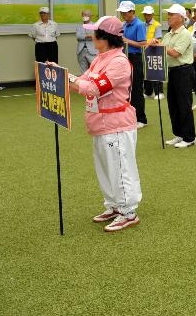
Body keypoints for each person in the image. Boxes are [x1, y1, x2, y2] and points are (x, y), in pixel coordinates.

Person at [67, 15, 142, 232]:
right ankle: (114, 205)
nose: (91, 36)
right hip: (100, 122)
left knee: (120, 168)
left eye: (95, 33)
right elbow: (83, 82)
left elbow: (91, 88)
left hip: (116, 123)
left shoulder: (118, 62)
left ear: (105, 37)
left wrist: (69, 78)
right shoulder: (101, 58)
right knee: (105, 167)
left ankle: (128, 211)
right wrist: (66, 77)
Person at [154, 4, 196, 149]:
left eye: (171, 15)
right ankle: (179, 134)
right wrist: (157, 43)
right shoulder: (169, 34)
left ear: (180, 17)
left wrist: (160, 46)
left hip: (184, 71)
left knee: (184, 105)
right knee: (173, 104)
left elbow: (175, 53)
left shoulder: (185, 34)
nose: (168, 17)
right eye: (168, 14)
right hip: (172, 71)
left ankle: (190, 137)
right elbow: (164, 48)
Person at [117, 1, 148, 129]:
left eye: (125, 12)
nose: (123, 14)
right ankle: (130, 117)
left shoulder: (139, 25)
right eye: (122, 12)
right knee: (126, 89)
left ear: (132, 12)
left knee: (136, 89)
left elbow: (143, 44)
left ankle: (141, 119)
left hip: (135, 59)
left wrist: (126, 40)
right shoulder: (123, 24)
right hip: (125, 58)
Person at [142, 6, 164, 100]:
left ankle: (159, 92)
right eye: (145, 14)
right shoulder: (142, 25)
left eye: (149, 14)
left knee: (155, 71)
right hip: (143, 50)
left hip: (154, 51)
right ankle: (148, 92)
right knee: (146, 72)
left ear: (152, 14)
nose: (147, 16)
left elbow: (158, 39)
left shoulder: (157, 25)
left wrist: (149, 44)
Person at [75, 9, 97, 74]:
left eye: (87, 15)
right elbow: (78, 37)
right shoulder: (79, 26)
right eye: (83, 14)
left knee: (94, 70)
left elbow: (94, 36)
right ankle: (84, 83)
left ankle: (93, 83)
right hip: (81, 50)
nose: (85, 16)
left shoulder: (95, 25)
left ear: (90, 16)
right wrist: (88, 36)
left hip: (92, 51)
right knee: (83, 71)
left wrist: (85, 36)